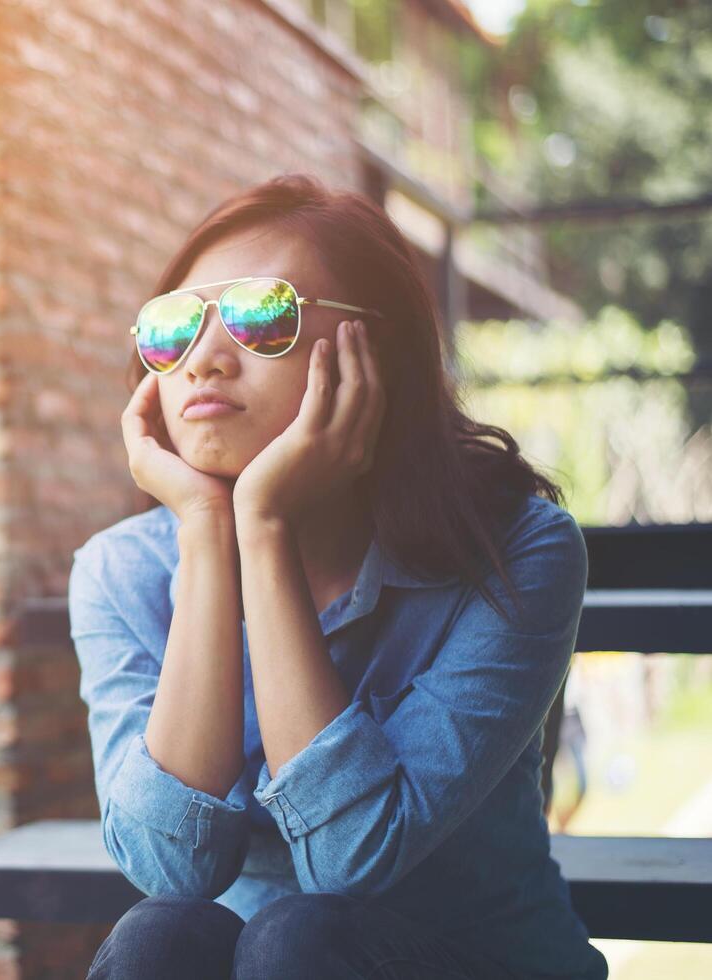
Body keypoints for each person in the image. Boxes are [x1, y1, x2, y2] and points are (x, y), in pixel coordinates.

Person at [69, 173, 608, 979]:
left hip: (475, 961)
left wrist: (265, 524)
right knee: (159, 937)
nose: (205, 359)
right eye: (174, 327)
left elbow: (349, 862)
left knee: (303, 936)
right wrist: (214, 532)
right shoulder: (119, 571)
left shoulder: (519, 551)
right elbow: (168, 870)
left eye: (260, 316)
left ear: (373, 353)